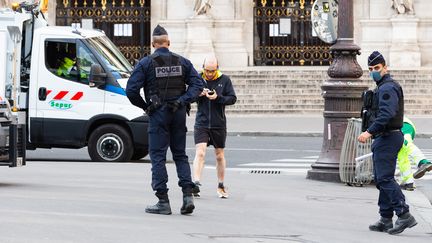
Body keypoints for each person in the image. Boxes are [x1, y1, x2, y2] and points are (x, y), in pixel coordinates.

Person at [126, 25, 203, 215]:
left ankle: (163, 201)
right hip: (177, 113)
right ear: (168, 43)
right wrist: (182, 101)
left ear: (153, 44)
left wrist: (146, 107)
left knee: (158, 157)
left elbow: (131, 90)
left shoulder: (145, 63)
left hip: (158, 113)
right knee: (180, 155)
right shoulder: (182, 62)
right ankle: (187, 196)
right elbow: (197, 85)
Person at [358, 51, 417, 235]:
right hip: (385, 137)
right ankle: (385, 218)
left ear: (385, 68)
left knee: (385, 178)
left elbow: (386, 114)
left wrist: (369, 132)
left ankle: (404, 214)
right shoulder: (383, 86)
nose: (374, 71)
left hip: (388, 136)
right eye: (371, 69)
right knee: (382, 178)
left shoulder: (387, 88)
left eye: (377, 68)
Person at [191, 55, 237, 199]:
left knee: (219, 155)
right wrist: (199, 94)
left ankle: (221, 185)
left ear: (217, 68)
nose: (209, 74)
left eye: (212, 71)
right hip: (202, 123)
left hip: (218, 123)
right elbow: (189, 96)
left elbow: (232, 99)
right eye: (207, 71)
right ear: (203, 68)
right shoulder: (198, 78)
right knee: (200, 153)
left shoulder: (225, 80)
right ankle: (196, 184)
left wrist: (218, 98)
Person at [397, 116, 432, 191]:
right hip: (398, 127)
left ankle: (423, 162)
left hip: (403, 125)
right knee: (402, 157)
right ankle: (408, 182)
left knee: (405, 143)